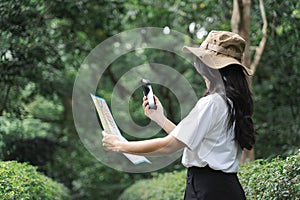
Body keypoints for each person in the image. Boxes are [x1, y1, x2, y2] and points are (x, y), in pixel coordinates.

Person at [102, 30, 256, 200]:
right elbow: (189, 141)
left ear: (208, 66)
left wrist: (120, 145)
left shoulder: (212, 103)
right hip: (225, 188)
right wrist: (160, 118)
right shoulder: (232, 101)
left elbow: (169, 146)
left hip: (208, 190)